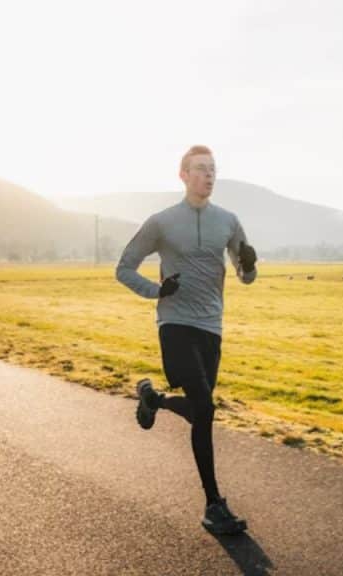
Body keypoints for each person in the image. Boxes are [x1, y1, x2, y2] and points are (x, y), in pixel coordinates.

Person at [116, 144, 257, 535]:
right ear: (183, 175)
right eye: (200, 169)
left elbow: (245, 276)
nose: (208, 176)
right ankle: (214, 505)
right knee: (205, 407)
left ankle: (154, 399)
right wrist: (156, 292)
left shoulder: (228, 221)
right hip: (175, 324)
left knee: (201, 411)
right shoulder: (161, 222)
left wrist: (249, 265)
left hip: (211, 326)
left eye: (213, 170)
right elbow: (124, 268)